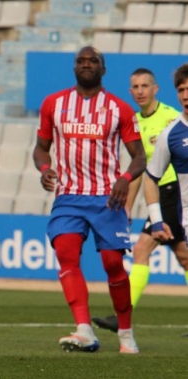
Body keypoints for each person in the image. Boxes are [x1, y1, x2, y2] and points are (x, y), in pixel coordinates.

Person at [33, 46, 146, 354]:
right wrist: (45, 168)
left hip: (107, 198)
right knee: (66, 254)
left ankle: (125, 334)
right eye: (81, 61)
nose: (86, 65)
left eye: (93, 61)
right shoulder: (54, 104)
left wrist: (124, 179)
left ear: (103, 69)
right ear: (74, 69)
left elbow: (140, 157)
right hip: (69, 196)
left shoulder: (119, 109)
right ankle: (84, 330)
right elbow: (41, 148)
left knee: (112, 264)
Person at [92, 68, 188, 333]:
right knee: (184, 256)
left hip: (173, 191)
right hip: (161, 193)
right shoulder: (133, 123)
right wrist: (125, 207)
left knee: (141, 249)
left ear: (156, 89)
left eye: (145, 86)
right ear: (130, 92)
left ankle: (121, 317)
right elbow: (139, 170)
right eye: (135, 87)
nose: (140, 91)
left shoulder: (172, 118)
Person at [142, 64, 188, 333]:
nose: (185, 94)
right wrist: (157, 220)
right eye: (181, 89)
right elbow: (150, 177)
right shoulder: (171, 134)